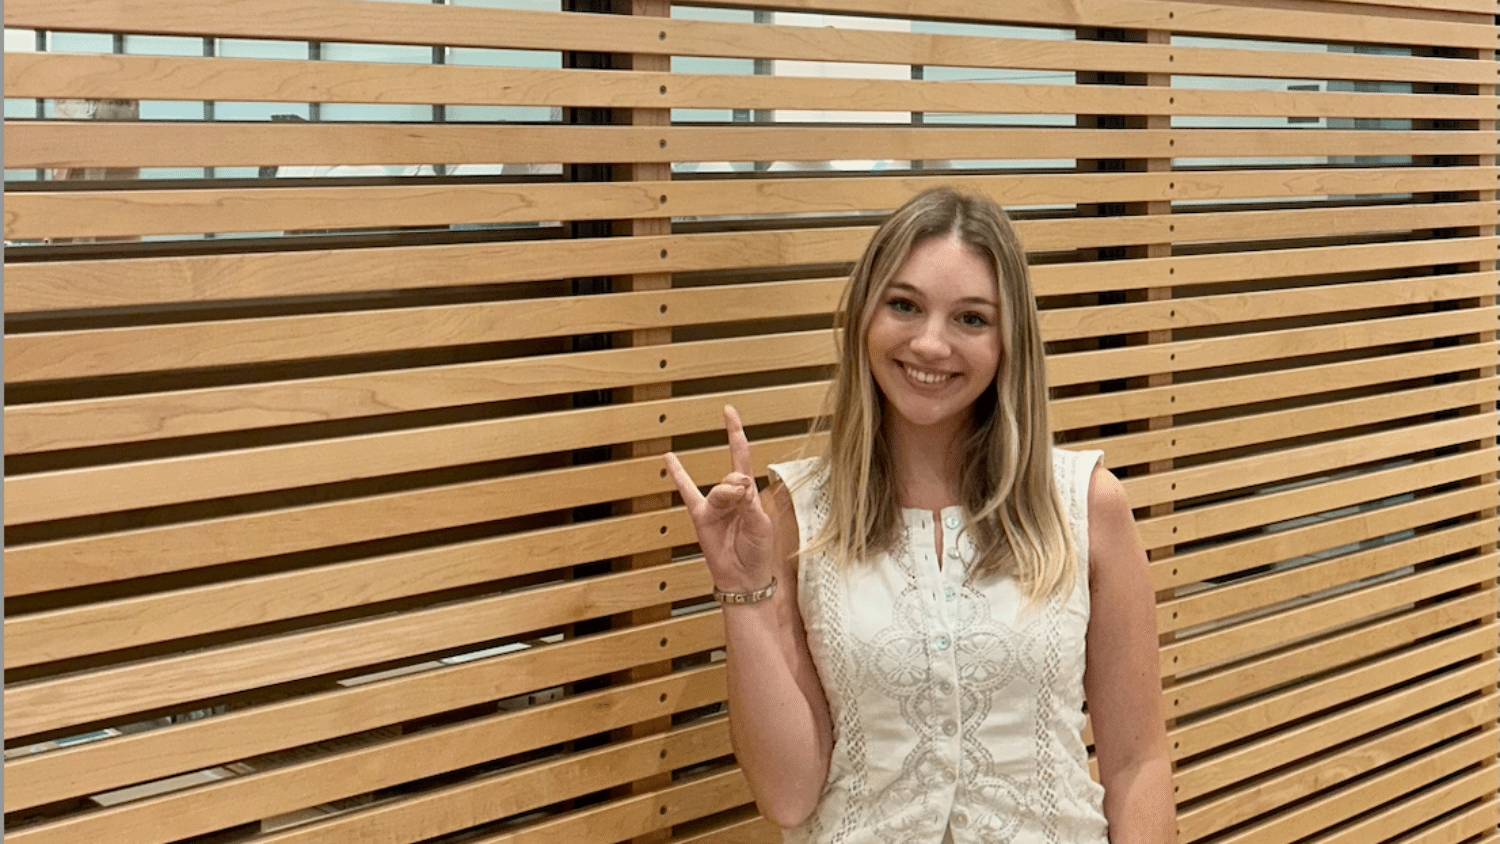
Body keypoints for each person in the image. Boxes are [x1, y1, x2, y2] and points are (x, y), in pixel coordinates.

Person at [664, 187, 1176, 843]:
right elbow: (789, 797)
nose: (930, 344)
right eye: (904, 306)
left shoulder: (1085, 503)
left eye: (971, 319)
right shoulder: (797, 513)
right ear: (864, 319)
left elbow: (1138, 761)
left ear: (1008, 340)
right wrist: (742, 592)